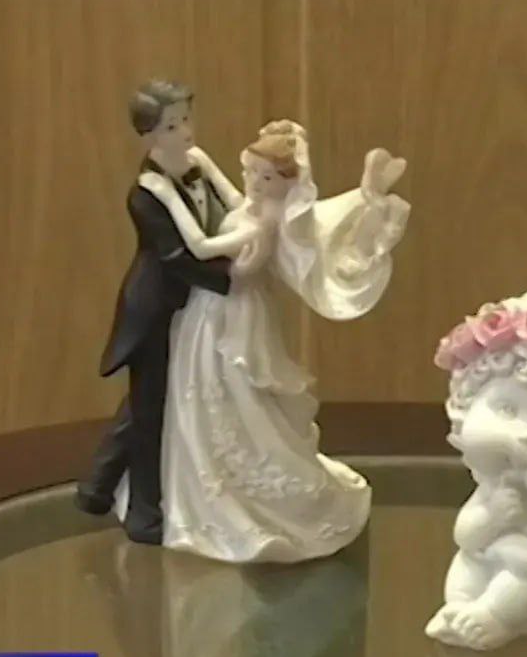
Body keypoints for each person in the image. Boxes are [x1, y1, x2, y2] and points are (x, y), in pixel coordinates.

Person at [110, 120, 411, 562]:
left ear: (285, 184)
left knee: (232, 389)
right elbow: (230, 195)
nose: (254, 182)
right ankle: (188, 481)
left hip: (230, 312)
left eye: (265, 177)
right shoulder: (251, 204)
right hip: (207, 312)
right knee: (198, 394)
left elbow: (222, 257)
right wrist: (204, 166)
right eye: (251, 171)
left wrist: (183, 208)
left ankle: (239, 492)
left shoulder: (267, 220)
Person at [76, 79, 243, 544]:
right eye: (171, 126)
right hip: (155, 308)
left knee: (148, 403)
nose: (185, 131)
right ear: (148, 135)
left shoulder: (198, 165)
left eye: (186, 119)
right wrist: (232, 281)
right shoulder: (146, 193)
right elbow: (174, 257)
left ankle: (97, 486)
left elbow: (230, 209)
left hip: (190, 306)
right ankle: (143, 514)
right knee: (151, 414)